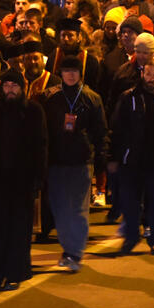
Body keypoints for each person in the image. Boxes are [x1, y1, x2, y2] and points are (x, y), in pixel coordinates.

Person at [0, 69, 47, 290]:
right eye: (6, 86)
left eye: (14, 86)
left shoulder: (34, 111)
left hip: (22, 182)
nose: (10, 90)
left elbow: (41, 147)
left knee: (18, 230)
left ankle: (14, 273)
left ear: (21, 88)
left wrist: (38, 180)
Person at [108, 60, 154, 255]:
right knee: (130, 204)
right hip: (132, 160)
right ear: (142, 75)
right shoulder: (128, 97)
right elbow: (117, 129)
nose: (151, 79)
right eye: (148, 75)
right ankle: (131, 238)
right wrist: (113, 157)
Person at [44, 55, 108, 271]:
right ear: (60, 73)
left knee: (78, 208)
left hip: (82, 160)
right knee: (60, 208)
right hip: (56, 160)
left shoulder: (91, 98)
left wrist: (101, 160)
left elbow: (101, 132)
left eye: (74, 71)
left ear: (80, 73)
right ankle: (68, 248)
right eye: (66, 71)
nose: (70, 75)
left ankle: (75, 252)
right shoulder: (51, 98)